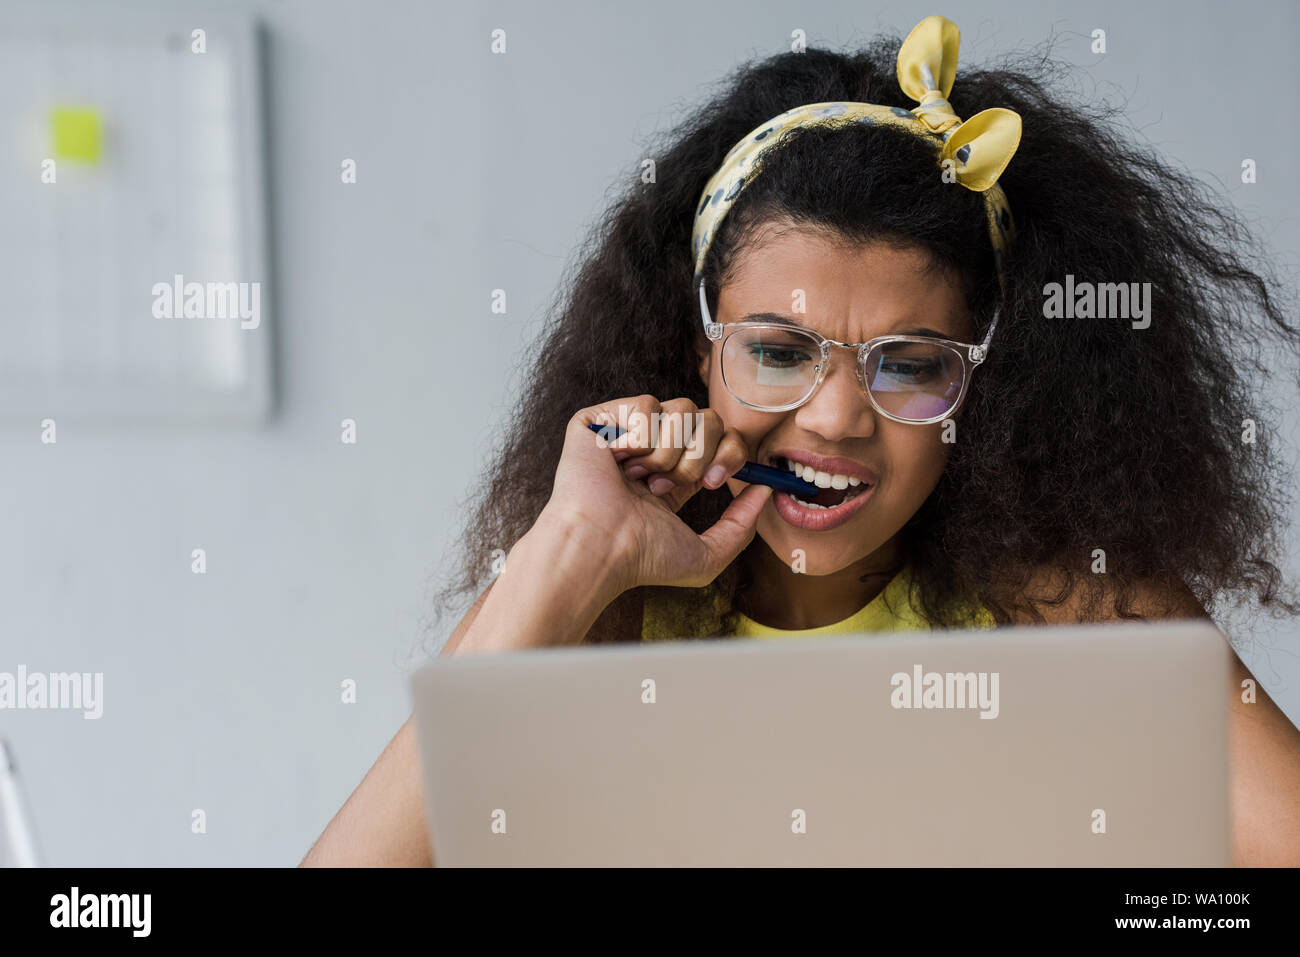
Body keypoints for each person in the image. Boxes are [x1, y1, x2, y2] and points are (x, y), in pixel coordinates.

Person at [303, 17, 1300, 866]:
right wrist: (567, 553)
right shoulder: (591, 605)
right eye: (778, 353)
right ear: (698, 354)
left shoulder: (1065, 600)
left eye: (910, 364)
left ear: (983, 386)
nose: (833, 418)